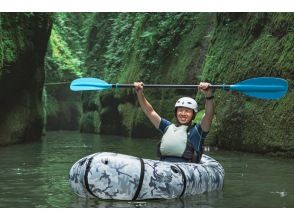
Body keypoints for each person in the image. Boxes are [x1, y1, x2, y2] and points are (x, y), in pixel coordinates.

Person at [134, 81, 214, 163]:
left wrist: (208, 95)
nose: (183, 114)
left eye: (187, 111)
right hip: (164, 167)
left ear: (193, 114)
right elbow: (149, 112)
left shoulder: (198, 131)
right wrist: (139, 93)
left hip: (186, 169)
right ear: (176, 113)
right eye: (180, 110)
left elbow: (208, 115)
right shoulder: (167, 127)